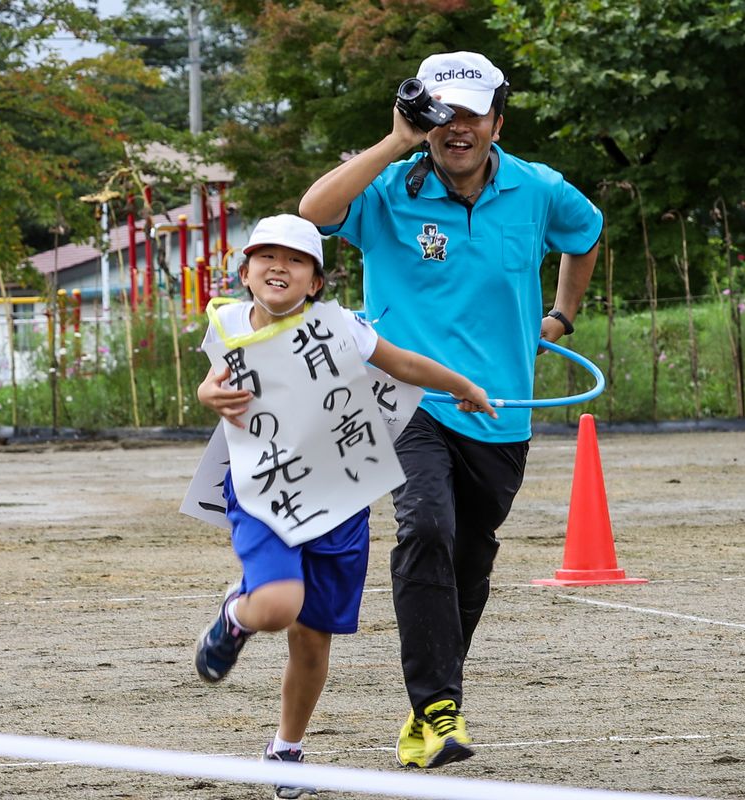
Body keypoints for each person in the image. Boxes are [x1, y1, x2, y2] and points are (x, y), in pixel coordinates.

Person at [299, 51, 603, 768]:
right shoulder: (388, 187)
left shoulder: (538, 190)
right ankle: (440, 707)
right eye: (442, 115)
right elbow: (312, 213)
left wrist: (559, 317)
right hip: (405, 399)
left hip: (500, 409)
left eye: (471, 115)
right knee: (426, 526)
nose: (456, 129)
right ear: (423, 120)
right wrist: (395, 142)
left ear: (498, 120)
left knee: (471, 562)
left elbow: (586, 234)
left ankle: (426, 712)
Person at [193, 214, 497, 798]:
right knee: (279, 605)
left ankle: (286, 749)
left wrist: (462, 385)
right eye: (267, 256)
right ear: (246, 272)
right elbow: (214, 380)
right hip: (267, 491)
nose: (279, 266)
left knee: (312, 640)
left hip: (339, 500)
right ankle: (238, 615)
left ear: (315, 282)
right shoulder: (231, 322)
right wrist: (211, 393)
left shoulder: (341, 329)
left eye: (297, 259)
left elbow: (403, 365)